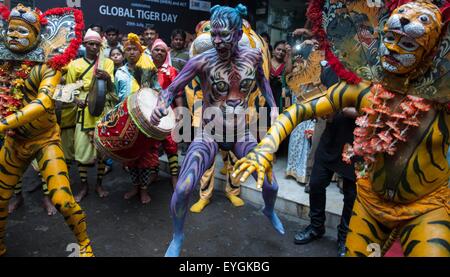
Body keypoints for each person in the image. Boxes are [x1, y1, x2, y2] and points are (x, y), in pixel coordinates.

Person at [233, 1, 450, 257]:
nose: (392, 50)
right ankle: (319, 228)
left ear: (431, 51)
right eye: (390, 38)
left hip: (426, 206)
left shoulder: (442, 101)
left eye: (408, 44)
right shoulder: (364, 90)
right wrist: (266, 148)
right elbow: (299, 110)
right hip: (371, 204)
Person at [150, 4, 281, 257]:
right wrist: (160, 104)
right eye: (214, 35)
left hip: (241, 133)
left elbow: (264, 83)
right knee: (184, 188)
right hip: (209, 133)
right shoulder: (201, 61)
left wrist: (273, 107)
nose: (218, 41)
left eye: (224, 35)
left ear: (239, 34)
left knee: (271, 185)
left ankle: (269, 209)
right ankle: (177, 236)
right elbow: (171, 89)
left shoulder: (253, 57)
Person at [0, 3, 93, 256]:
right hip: (15, 141)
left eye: (21, 32)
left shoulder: (49, 67)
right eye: (11, 31)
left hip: (45, 140)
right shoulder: (5, 66)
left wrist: (3, 124)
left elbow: (43, 103)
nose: (13, 36)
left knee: (62, 199)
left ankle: (84, 244)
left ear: (37, 36)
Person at [293, 63, 358, 257]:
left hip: (355, 142)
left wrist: (345, 108)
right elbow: (320, 95)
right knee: (316, 183)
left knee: (351, 194)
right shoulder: (330, 70)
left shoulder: (367, 75)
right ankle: (316, 226)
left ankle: (344, 237)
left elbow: (371, 108)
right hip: (330, 137)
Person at [66, 29, 115, 202]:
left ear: (100, 46)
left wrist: (108, 78)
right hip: (83, 110)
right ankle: (84, 186)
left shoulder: (107, 63)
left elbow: (112, 89)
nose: (94, 47)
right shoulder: (75, 65)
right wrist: (74, 101)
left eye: (97, 44)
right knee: (81, 151)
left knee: (102, 150)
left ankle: (99, 184)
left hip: (102, 109)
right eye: (90, 44)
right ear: (85, 45)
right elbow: (70, 90)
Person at [115, 33, 162, 204]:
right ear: (124, 52)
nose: (132, 52)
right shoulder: (119, 72)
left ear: (140, 51)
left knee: (145, 157)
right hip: (127, 120)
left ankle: (144, 190)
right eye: (128, 49)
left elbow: (159, 91)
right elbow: (116, 96)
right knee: (131, 158)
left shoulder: (149, 70)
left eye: (135, 49)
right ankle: (134, 187)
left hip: (145, 120)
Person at [149, 38, 180, 189]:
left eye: (163, 50)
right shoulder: (145, 69)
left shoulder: (172, 71)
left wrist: (180, 112)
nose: (160, 52)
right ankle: (154, 173)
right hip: (149, 113)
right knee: (152, 145)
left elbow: (178, 93)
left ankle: (174, 177)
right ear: (151, 51)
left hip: (169, 113)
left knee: (171, 145)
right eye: (157, 50)